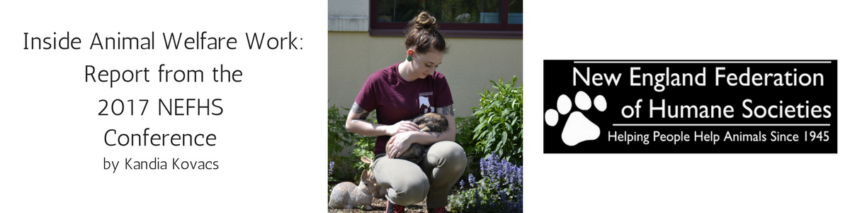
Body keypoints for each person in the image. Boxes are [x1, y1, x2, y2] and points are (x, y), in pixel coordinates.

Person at [344, 11, 467, 213]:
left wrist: (412, 136)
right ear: (411, 53)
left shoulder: (437, 81)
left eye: (436, 66)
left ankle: (437, 206)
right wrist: (390, 129)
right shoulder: (380, 80)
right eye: (428, 65)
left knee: (454, 154)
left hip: (428, 152)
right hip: (390, 156)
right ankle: (396, 201)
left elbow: (449, 134)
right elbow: (352, 123)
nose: (432, 71)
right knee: (413, 188)